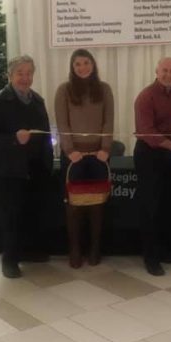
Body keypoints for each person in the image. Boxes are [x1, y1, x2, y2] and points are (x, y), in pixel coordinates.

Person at [0, 56, 53, 279]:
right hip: (9, 170)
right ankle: (9, 260)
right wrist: (13, 139)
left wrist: (48, 163)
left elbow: (46, 135)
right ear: (9, 75)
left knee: (32, 212)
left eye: (29, 73)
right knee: (11, 216)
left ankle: (29, 252)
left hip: (36, 168)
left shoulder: (37, 101)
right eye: (20, 73)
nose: (25, 77)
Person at [55, 49, 115, 268]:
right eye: (77, 64)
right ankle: (75, 249)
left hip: (99, 156)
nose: (82, 67)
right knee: (74, 206)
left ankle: (95, 249)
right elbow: (62, 123)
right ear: (72, 67)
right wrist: (70, 150)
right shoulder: (64, 90)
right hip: (73, 157)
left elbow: (108, 121)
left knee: (97, 204)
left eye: (86, 63)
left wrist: (105, 149)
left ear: (93, 64)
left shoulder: (104, 89)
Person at [134, 57, 171, 276]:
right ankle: (151, 258)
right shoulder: (145, 96)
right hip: (149, 154)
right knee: (150, 207)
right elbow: (147, 132)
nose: (168, 74)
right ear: (156, 71)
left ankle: (166, 251)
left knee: (169, 205)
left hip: (170, 155)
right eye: (165, 70)